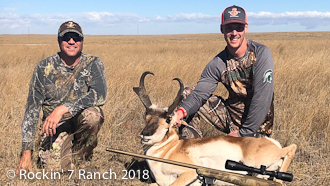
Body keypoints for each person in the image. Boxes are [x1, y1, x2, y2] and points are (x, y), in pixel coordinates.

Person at [16, 21, 107, 172]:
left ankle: (81, 158)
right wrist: (26, 153)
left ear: (82, 41)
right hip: (55, 128)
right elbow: (32, 110)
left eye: (76, 38)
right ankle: (63, 152)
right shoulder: (43, 68)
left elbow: (100, 95)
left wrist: (62, 109)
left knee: (93, 115)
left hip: (80, 123)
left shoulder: (93, 63)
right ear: (59, 41)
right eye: (66, 37)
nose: (72, 41)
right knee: (54, 170)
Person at [171, 5, 274, 138]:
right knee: (187, 93)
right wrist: (179, 114)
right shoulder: (218, 63)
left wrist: (244, 134)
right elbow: (199, 94)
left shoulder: (261, 53)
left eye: (239, 27)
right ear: (222, 29)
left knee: (245, 158)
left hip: (257, 126)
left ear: (246, 28)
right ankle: (190, 151)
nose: (234, 33)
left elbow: (263, 98)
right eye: (229, 28)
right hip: (231, 119)